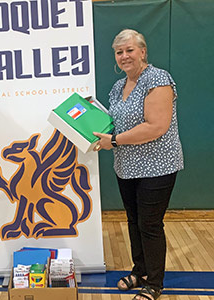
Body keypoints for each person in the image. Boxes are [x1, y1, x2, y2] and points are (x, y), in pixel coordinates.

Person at [93, 29, 184, 300]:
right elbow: (114, 122)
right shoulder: (117, 87)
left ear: (143, 52)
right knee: (134, 222)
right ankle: (140, 271)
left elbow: (156, 126)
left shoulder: (157, 78)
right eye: (119, 52)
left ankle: (154, 283)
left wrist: (116, 140)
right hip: (127, 166)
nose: (124, 56)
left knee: (150, 224)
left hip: (157, 167)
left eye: (130, 50)